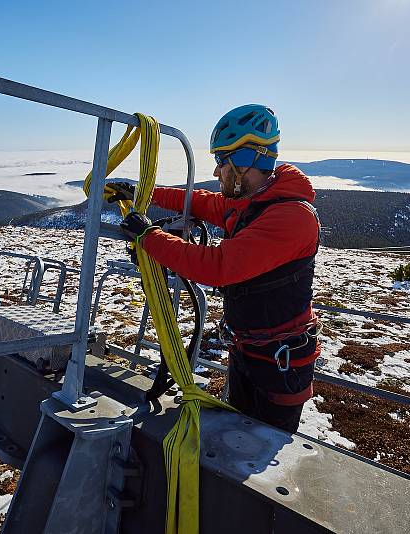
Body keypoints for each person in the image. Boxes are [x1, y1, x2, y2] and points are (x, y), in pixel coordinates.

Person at [105, 104, 321, 433]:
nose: (218, 171)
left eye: (223, 160)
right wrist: (143, 195)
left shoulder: (292, 217)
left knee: (259, 452)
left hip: (280, 366)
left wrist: (149, 236)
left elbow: (217, 267)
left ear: (250, 159)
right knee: (237, 434)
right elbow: (204, 202)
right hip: (250, 351)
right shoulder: (255, 200)